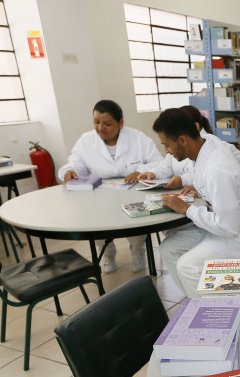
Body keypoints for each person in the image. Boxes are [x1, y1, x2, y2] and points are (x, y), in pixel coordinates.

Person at [151, 108, 240, 296]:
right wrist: (198, 185)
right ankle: (195, 299)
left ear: (182, 140)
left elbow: (228, 227)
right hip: (226, 224)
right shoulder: (207, 144)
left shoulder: (216, 169)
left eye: (167, 145)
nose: (167, 151)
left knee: (187, 266)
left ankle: (211, 316)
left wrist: (187, 209)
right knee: (168, 248)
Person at [58, 99, 162, 273]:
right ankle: (107, 253)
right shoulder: (86, 140)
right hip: (99, 196)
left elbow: (158, 162)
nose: (100, 128)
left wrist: (141, 171)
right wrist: (69, 171)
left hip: (133, 192)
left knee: (137, 224)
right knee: (96, 224)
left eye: (107, 123)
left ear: (120, 123)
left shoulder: (138, 138)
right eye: (96, 122)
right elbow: (75, 163)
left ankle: (138, 251)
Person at [128, 105, 240, 182]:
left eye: (167, 145)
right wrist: (154, 173)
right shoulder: (180, 145)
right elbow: (167, 165)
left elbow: (205, 175)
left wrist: (182, 180)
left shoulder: (215, 152)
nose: (166, 151)